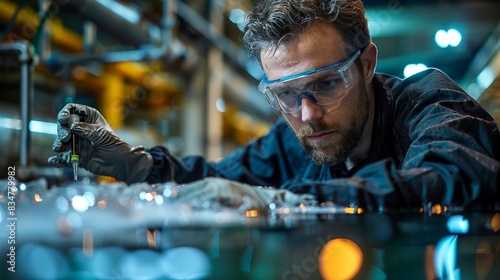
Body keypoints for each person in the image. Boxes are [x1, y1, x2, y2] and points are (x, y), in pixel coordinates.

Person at [48, 0, 500, 212]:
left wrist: (284, 197)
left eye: (325, 84)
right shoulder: (289, 143)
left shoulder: (428, 102)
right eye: (285, 94)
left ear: (366, 65)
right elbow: (219, 183)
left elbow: (453, 177)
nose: (306, 114)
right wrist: (133, 164)